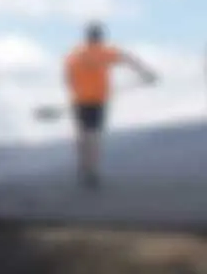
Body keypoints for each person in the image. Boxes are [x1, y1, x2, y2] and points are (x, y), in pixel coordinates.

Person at [64, 21, 156, 189]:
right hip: (98, 99)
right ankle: (91, 171)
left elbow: (68, 77)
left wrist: (75, 91)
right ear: (100, 37)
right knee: (94, 135)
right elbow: (127, 58)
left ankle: (83, 165)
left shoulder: (74, 55)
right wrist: (146, 73)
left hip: (79, 100)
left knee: (82, 134)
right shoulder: (103, 52)